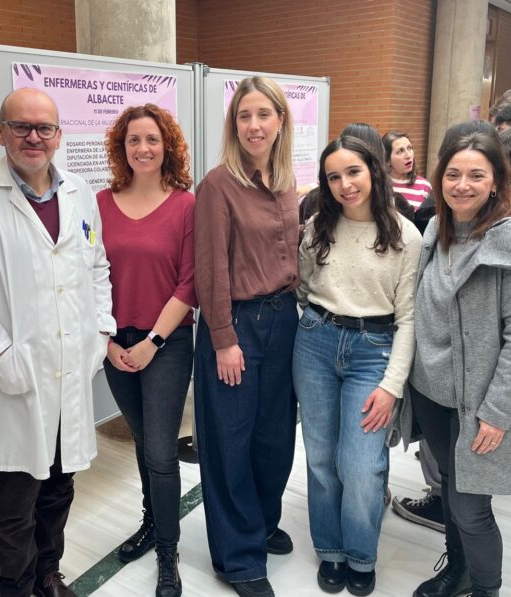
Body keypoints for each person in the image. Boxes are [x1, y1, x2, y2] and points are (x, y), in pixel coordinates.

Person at [0, 88, 115, 597]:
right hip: (15, 370)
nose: (33, 137)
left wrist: (100, 330)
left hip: (70, 366)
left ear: (59, 135)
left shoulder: (80, 192)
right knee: (16, 500)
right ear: (1, 133)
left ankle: (47, 574)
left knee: (60, 486)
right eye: (21, 127)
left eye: (44, 128)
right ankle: (14, 586)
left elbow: (98, 265)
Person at [407, 131, 511, 597]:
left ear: (496, 182)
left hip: (481, 401)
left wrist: (497, 412)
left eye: (476, 175)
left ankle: (486, 590)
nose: (462, 185)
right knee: (450, 487)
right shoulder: (437, 229)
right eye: (452, 174)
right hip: (432, 391)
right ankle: (459, 572)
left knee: (471, 509)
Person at [293, 135, 422, 596]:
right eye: (334, 177)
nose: (345, 184)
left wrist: (392, 385)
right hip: (315, 342)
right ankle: (330, 549)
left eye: (353, 172)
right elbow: (302, 287)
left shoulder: (406, 235)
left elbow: (409, 319)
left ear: (373, 171)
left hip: (375, 350)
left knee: (362, 464)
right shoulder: (317, 227)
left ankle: (361, 554)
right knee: (320, 456)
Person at [193, 76, 298, 597]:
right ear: (233, 125)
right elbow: (210, 265)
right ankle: (238, 558)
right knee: (230, 442)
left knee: (275, 438)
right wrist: (223, 338)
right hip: (236, 324)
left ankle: (259, 522)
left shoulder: (287, 182)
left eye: (263, 114)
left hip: (284, 321)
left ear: (281, 120)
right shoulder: (218, 184)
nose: (253, 125)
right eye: (243, 116)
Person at [97, 104, 196, 597]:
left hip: (167, 343)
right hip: (115, 344)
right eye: (133, 140)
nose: (143, 148)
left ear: (167, 146)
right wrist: (107, 341)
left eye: (152, 139)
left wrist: (153, 341)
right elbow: (87, 275)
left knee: (160, 450)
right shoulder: (99, 203)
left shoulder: (185, 205)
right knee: (142, 441)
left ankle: (167, 552)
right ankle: (151, 522)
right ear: (122, 148)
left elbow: (189, 283)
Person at [382, 131, 433, 211]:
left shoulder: (424, 186)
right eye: (400, 151)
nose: (408, 155)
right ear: (387, 159)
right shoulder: (379, 185)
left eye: (409, 148)